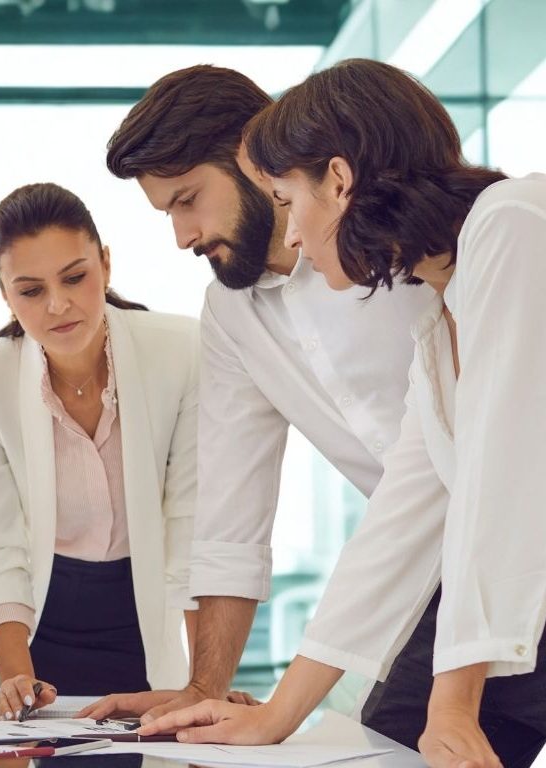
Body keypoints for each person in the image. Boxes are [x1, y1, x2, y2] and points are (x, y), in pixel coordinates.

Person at [139, 58, 546, 768]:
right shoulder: (434, 326)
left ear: (337, 179)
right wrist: (275, 715)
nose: (292, 236)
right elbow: (404, 514)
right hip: (484, 583)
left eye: (287, 200)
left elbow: (505, 480)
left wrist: (454, 700)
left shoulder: (510, 228)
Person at [82, 64, 435, 723]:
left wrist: (282, 713)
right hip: (440, 577)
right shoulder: (232, 315)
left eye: (188, 200)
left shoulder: (400, 241)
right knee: (393, 746)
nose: (182, 236)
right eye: (167, 213)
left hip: (510, 536)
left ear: (252, 155)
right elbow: (230, 515)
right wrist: (204, 689)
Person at [0, 182, 198, 721]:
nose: (58, 305)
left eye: (74, 277)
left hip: (147, 618)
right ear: (4, 294)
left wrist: (204, 681)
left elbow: (190, 525)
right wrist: (16, 678)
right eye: (31, 290)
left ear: (105, 265)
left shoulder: (179, 351)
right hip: (41, 626)